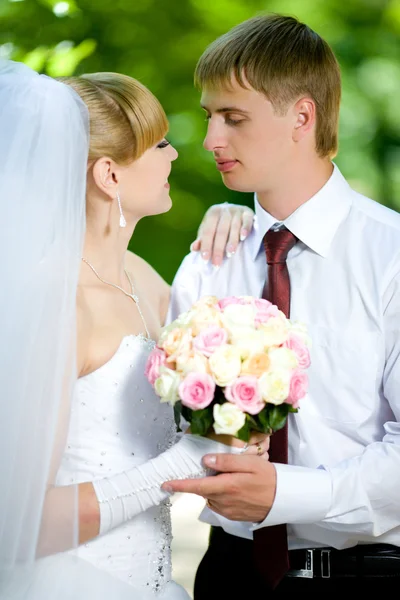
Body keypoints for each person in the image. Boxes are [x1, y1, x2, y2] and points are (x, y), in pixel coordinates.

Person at [0, 61, 267, 600]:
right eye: (160, 143)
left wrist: (238, 217)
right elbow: (20, 524)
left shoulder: (142, 280)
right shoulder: (61, 305)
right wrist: (186, 461)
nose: (175, 154)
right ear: (110, 176)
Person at [163, 12, 400, 597]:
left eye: (234, 118)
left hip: (363, 578)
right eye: (209, 117)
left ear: (302, 116)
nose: (212, 139)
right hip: (227, 576)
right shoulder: (209, 260)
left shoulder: (390, 254)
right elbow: (169, 422)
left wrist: (286, 494)